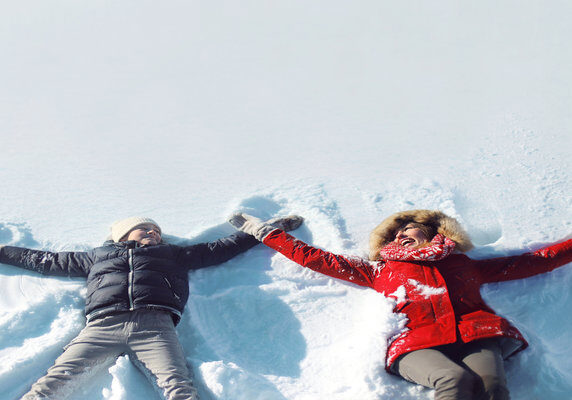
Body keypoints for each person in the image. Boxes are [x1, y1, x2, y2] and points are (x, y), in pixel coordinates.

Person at [229, 209, 572, 400]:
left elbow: (536, 261)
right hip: (417, 344)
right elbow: (315, 258)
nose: (400, 235)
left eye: (409, 229)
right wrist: (264, 232)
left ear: (432, 231)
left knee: (492, 387)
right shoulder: (380, 269)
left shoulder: (462, 264)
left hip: (474, 333)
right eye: (395, 234)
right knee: (453, 380)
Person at [0, 215, 302, 400]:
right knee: (56, 380)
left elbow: (220, 249)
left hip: (155, 327)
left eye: (156, 231)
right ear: (122, 234)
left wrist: (269, 229)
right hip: (101, 326)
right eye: (145, 229)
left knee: (178, 386)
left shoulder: (172, 254)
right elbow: (45, 261)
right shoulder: (97, 257)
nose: (153, 234)